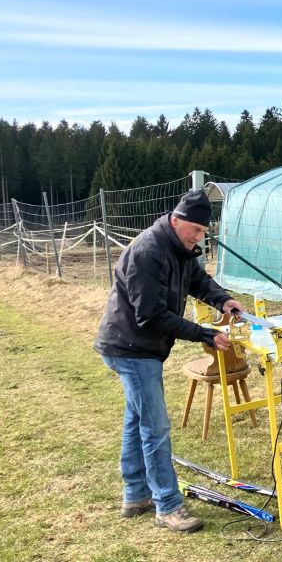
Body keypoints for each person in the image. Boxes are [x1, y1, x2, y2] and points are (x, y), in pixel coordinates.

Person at [95, 190, 243, 533]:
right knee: (156, 426)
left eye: (203, 232)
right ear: (175, 220)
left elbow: (198, 280)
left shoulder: (179, 248)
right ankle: (168, 505)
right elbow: (150, 315)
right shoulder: (148, 252)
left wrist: (224, 301)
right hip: (130, 347)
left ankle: (135, 494)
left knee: (138, 418)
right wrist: (205, 334)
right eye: (194, 229)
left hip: (141, 346)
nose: (199, 236)